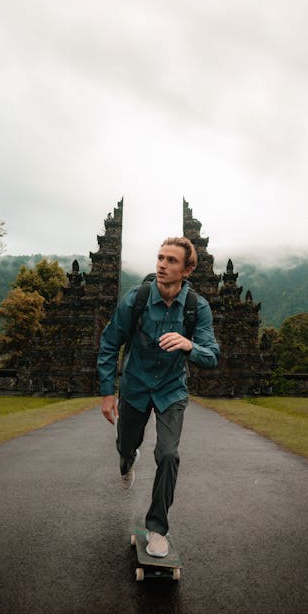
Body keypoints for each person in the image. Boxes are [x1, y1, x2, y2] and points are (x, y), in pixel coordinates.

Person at [97, 237, 220, 558]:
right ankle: (127, 459)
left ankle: (157, 528)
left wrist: (188, 344)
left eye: (171, 261)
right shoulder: (135, 300)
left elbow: (212, 355)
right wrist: (107, 392)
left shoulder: (197, 307)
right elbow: (110, 343)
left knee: (168, 454)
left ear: (188, 269)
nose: (162, 265)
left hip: (171, 390)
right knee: (126, 446)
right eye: (160, 258)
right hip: (135, 387)